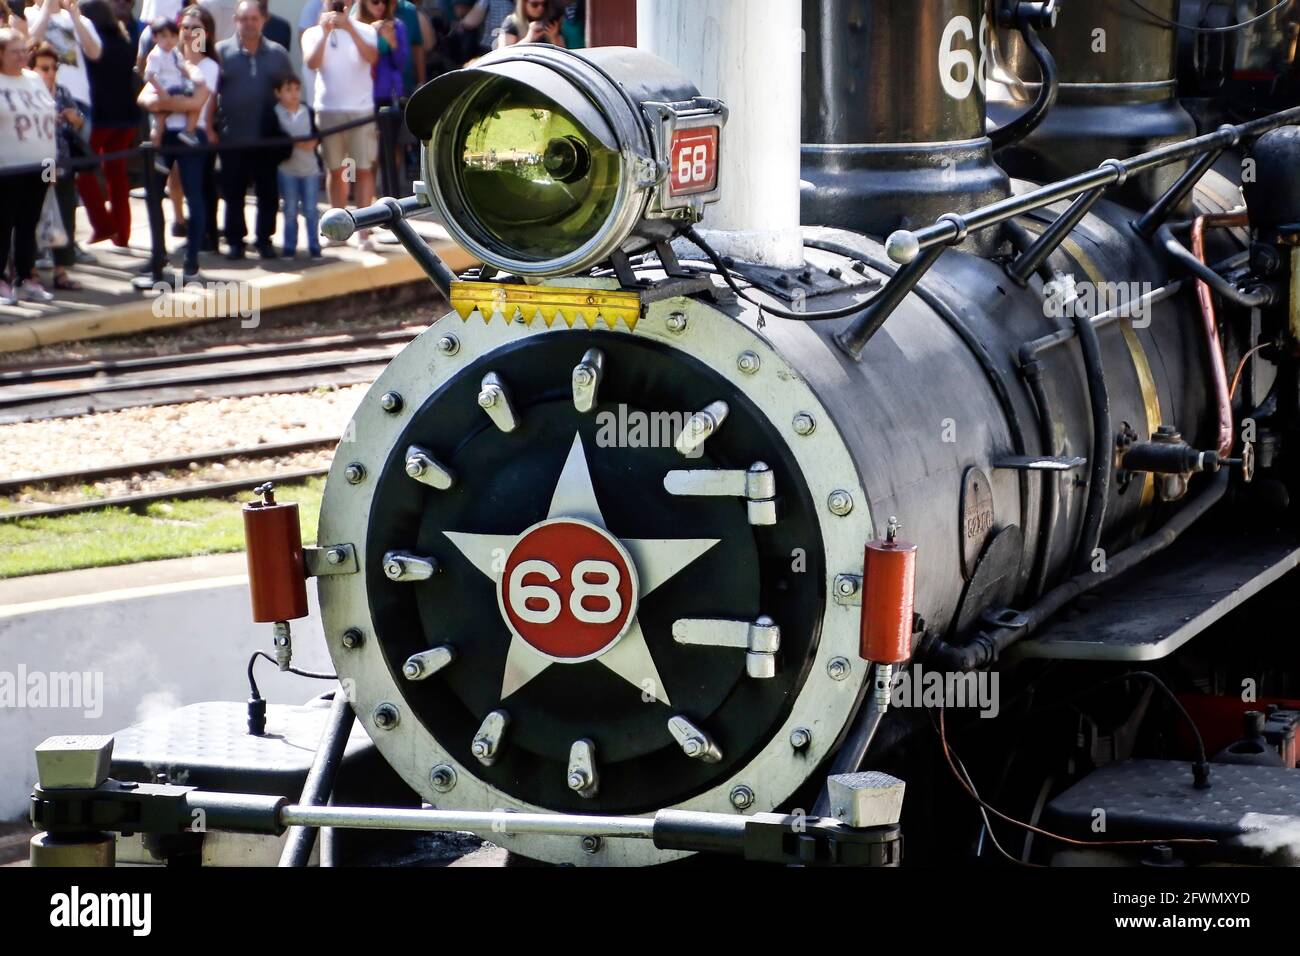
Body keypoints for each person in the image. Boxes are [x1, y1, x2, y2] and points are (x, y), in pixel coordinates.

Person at [138, 4, 215, 276]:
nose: (189, 33)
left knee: (194, 196)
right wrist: (165, 103)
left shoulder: (209, 66)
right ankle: (158, 256)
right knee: (153, 195)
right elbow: (144, 97)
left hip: (193, 136)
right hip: (165, 136)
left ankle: (192, 259)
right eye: (184, 28)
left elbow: (197, 101)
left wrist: (165, 103)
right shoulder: (165, 58)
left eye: (196, 28)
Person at [214, 0, 289, 259]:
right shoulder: (221, 52)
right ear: (236, 20)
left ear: (263, 20)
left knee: (268, 192)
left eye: (254, 18)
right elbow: (210, 93)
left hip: (266, 137)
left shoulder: (278, 53)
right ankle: (235, 240)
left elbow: (288, 92)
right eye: (244, 18)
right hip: (232, 135)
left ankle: (264, 239)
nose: (249, 23)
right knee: (233, 191)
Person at [302, 0, 378, 251]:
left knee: (363, 169)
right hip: (328, 110)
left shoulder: (366, 30)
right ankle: (336, 230)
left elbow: (371, 57)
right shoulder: (313, 33)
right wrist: (325, 33)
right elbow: (312, 63)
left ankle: (364, 232)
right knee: (336, 170)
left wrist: (351, 29)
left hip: (361, 110)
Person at [0, 26, 57, 304]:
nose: (22, 55)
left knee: (29, 223)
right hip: (8, 166)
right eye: (15, 51)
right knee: (3, 223)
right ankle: (1, 280)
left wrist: (53, 164)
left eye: (24, 50)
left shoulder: (34, 79)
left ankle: (25, 277)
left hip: (42, 163)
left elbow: (48, 119)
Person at [76, 0, 137, 246]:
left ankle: (103, 225)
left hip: (101, 117)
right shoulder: (123, 39)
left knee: (82, 170)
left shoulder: (90, 43)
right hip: (127, 116)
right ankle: (122, 234)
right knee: (117, 174)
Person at [29, 39, 84, 290]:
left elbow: (78, 122)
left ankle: (61, 270)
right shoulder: (28, 94)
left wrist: (75, 119)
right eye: (44, 68)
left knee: (64, 213)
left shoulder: (61, 92)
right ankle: (30, 271)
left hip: (62, 160)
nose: (50, 73)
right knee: (34, 216)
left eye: (53, 67)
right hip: (38, 161)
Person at [272, 73, 321, 258]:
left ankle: (314, 247)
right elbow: (279, 139)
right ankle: (289, 247)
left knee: (311, 210)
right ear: (278, 93)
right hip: (287, 170)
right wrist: (297, 142)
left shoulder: (307, 111)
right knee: (290, 210)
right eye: (288, 90)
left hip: (310, 169)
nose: (293, 94)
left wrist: (300, 142)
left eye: (297, 89)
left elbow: (316, 136)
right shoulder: (275, 113)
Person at [24, 0, 102, 115]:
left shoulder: (78, 17)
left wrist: (75, 19)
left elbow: (95, 54)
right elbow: (26, 47)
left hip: (77, 97)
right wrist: (46, 11)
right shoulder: (26, 15)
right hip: (38, 97)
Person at [141, 15, 199, 158]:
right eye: (164, 36)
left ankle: (189, 131)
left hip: (177, 86)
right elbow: (148, 76)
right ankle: (156, 152)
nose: (169, 40)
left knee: (195, 102)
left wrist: (192, 76)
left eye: (173, 36)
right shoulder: (156, 54)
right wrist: (161, 92)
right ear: (155, 37)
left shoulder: (174, 52)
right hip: (166, 89)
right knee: (159, 123)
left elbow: (182, 67)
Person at [359, 0, 406, 107]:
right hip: (362, 95)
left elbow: (401, 64)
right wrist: (371, 31)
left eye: (385, 1)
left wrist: (393, 43)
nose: (381, 5)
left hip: (389, 94)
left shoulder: (397, 26)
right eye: (375, 1)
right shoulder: (355, 27)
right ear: (364, 3)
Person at [497, 0, 562, 48]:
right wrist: (529, 38)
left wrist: (554, 37)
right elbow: (503, 53)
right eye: (535, 4)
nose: (541, 8)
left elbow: (564, 53)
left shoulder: (550, 23)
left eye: (544, 4)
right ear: (523, 3)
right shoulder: (512, 22)